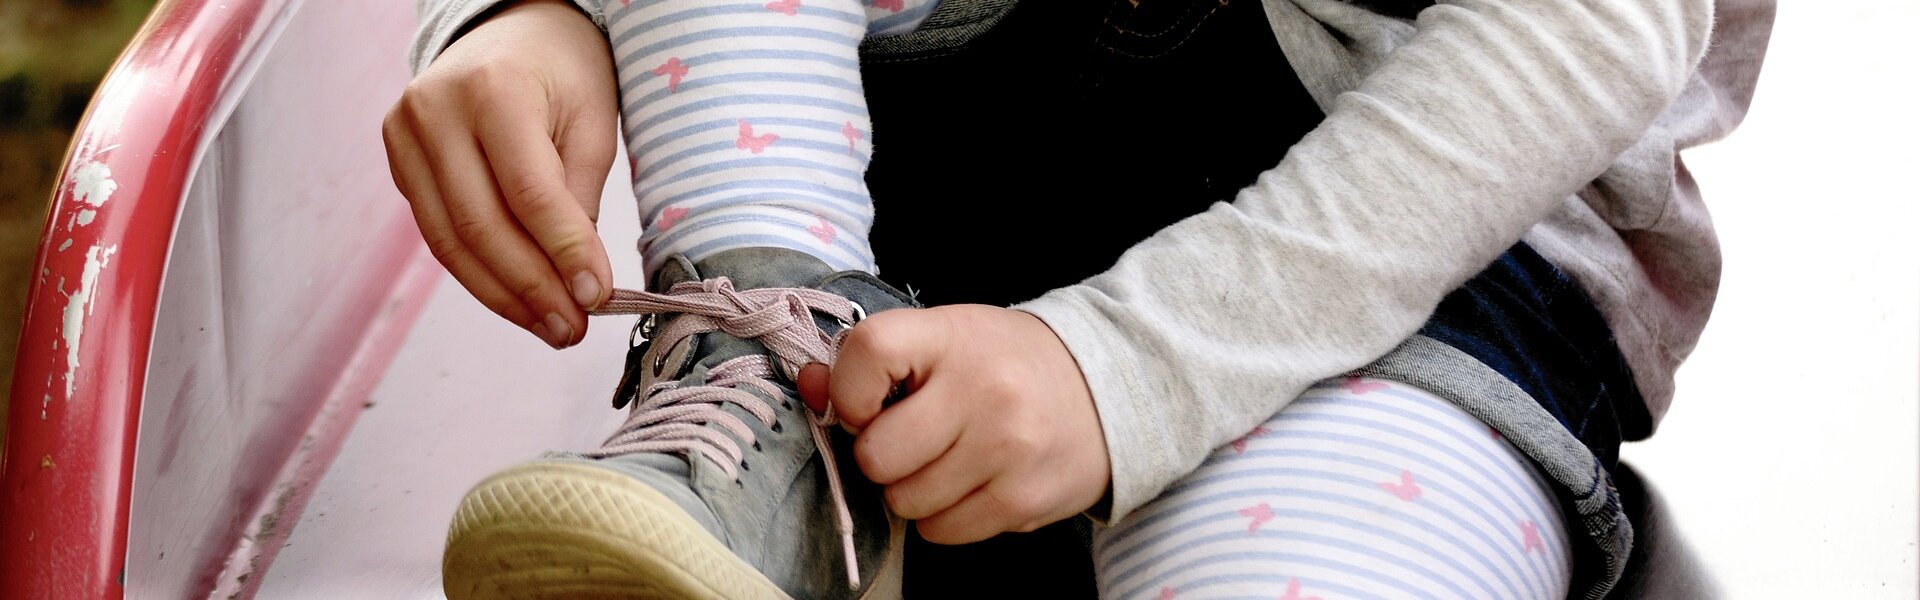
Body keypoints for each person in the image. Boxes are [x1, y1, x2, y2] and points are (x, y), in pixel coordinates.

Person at [382, 0, 1774, 598]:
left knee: (1310, 562)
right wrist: (533, 12)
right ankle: (770, 409)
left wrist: (1127, 366)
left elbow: (1587, 28)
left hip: (1424, 241)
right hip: (909, 155)